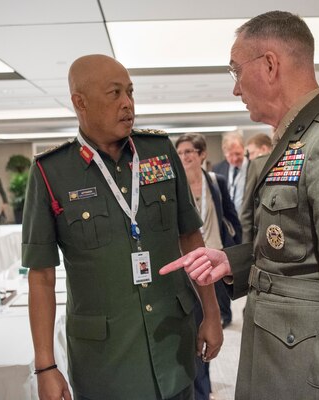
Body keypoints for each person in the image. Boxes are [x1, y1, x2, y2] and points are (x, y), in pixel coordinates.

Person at [161, 10, 319, 400]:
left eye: (235, 72)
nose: (235, 89)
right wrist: (236, 261)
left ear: (271, 65)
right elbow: (298, 249)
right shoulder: (295, 142)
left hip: (310, 379)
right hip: (278, 363)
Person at [22, 54, 222, 400]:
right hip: (105, 364)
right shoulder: (50, 172)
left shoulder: (159, 152)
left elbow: (191, 238)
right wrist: (45, 366)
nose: (128, 104)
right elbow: (41, 275)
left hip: (172, 344)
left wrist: (212, 314)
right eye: (114, 94)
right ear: (79, 102)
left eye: (130, 92)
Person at [175, 133, 242, 400]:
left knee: (211, 320)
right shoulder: (173, 188)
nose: (184, 157)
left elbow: (232, 218)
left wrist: (234, 251)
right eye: (180, 153)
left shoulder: (215, 181)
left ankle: (202, 388)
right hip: (186, 269)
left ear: (202, 154)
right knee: (192, 325)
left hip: (214, 263)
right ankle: (196, 386)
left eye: (189, 151)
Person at [239, 133, 273, 242]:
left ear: (263, 148)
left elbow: (247, 209)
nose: (250, 158)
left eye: (252, 153)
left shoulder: (256, 164)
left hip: (262, 234)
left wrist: (246, 245)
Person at [212, 131, 247, 215]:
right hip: (227, 220)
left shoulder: (252, 167)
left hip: (246, 219)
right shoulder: (217, 169)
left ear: (243, 149)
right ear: (224, 153)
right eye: (230, 155)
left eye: (238, 154)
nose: (235, 159)